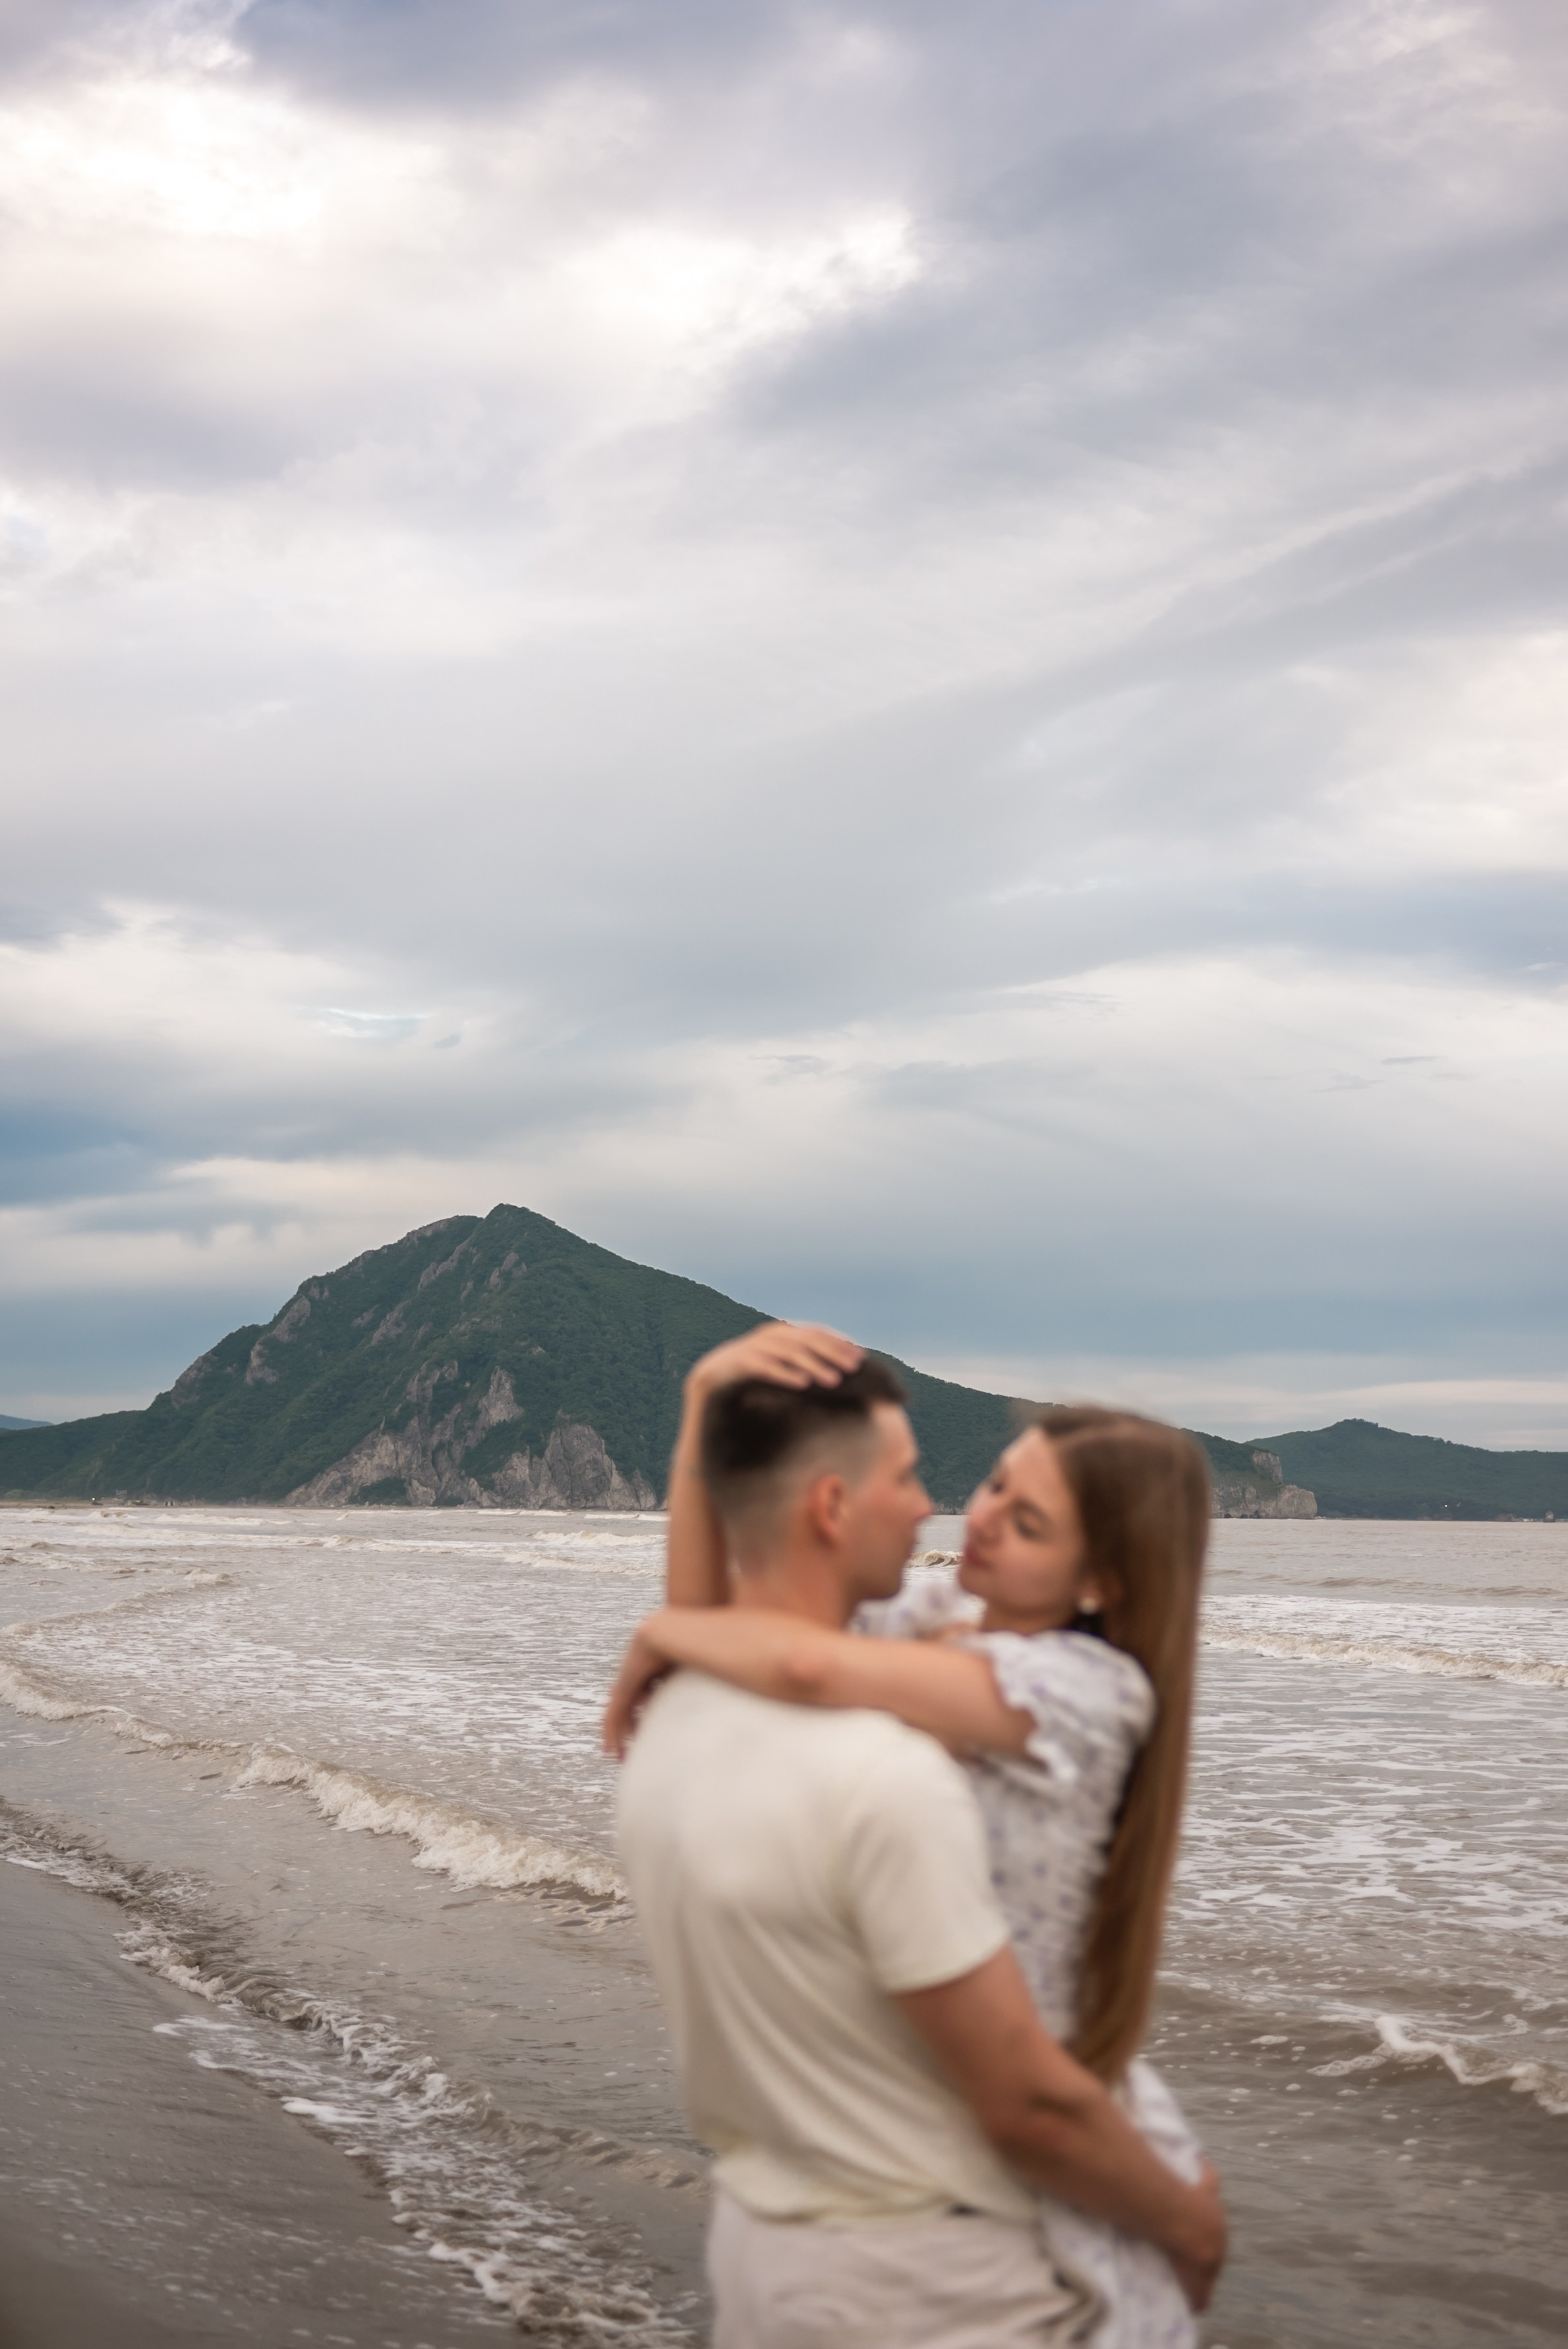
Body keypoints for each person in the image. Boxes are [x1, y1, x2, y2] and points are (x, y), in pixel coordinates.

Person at [611, 1343, 1225, 2349]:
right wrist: (699, 1414)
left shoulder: (1087, 1690)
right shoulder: (954, 1609)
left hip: (1053, 2072)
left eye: (1025, 1524)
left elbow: (800, 1661)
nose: (976, 1518)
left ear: (1103, 1580)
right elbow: (754, 1608)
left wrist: (666, 1636)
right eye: (995, 1484)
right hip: (969, 2071)